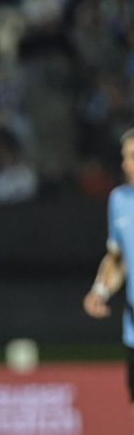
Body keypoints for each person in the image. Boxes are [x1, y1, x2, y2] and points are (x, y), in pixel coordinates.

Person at [82, 129, 134, 411]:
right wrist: (99, 290)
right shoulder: (120, 201)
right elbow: (118, 257)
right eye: (125, 157)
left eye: (133, 157)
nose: (126, 164)